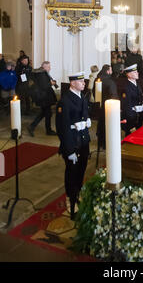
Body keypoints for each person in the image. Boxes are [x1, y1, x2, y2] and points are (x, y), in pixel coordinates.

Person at [55, 72, 91, 220]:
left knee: (81, 170)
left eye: (83, 81)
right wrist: (69, 150)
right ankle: (71, 200)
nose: (84, 83)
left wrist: (87, 120)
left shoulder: (81, 97)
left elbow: (83, 114)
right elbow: (62, 128)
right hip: (72, 144)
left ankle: (78, 195)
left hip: (82, 142)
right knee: (71, 173)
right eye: (81, 81)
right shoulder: (65, 101)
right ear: (72, 83)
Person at [27, 62, 57, 136]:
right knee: (47, 113)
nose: (50, 68)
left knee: (45, 113)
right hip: (44, 97)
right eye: (48, 67)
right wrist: (51, 84)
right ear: (44, 67)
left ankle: (32, 126)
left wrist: (50, 83)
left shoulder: (41, 73)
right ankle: (48, 130)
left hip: (44, 97)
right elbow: (44, 86)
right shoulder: (42, 74)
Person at [93, 65, 118, 151]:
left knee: (101, 123)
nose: (112, 72)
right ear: (108, 71)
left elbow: (94, 92)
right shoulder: (110, 82)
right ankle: (106, 143)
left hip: (99, 106)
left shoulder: (97, 80)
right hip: (109, 107)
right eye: (111, 70)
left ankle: (100, 141)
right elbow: (113, 96)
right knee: (108, 125)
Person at [121, 64, 143, 137]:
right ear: (129, 74)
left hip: (138, 115)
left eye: (137, 71)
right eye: (135, 72)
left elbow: (139, 96)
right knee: (131, 135)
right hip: (132, 117)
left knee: (139, 134)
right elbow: (126, 104)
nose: (137, 73)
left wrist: (142, 106)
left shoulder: (136, 84)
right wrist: (134, 110)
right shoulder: (127, 87)